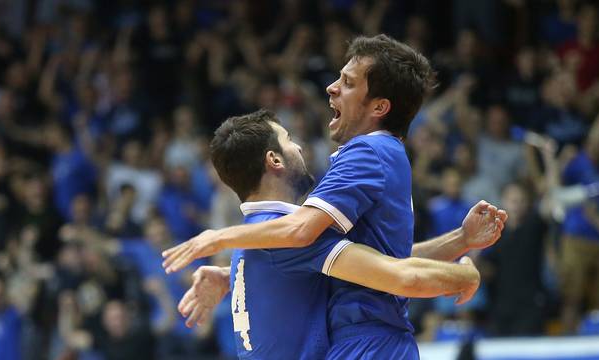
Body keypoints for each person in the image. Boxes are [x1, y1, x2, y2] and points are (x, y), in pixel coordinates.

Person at [163, 35, 507, 359]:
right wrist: (462, 250)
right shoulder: (270, 235)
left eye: (348, 82)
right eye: (288, 139)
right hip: (369, 341)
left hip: (369, 342)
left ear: (379, 107)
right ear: (274, 161)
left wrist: (222, 244)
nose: (332, 87)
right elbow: (381, 263)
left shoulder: (366, 152)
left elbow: (359, 258)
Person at [177, 109, 486, 359]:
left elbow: (376, 263)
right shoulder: (288, 236)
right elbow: (400, 275)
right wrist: (465, 276)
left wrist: (460, 240)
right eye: (288, 140)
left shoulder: (255, 240)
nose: (298, 147)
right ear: (274, 160)